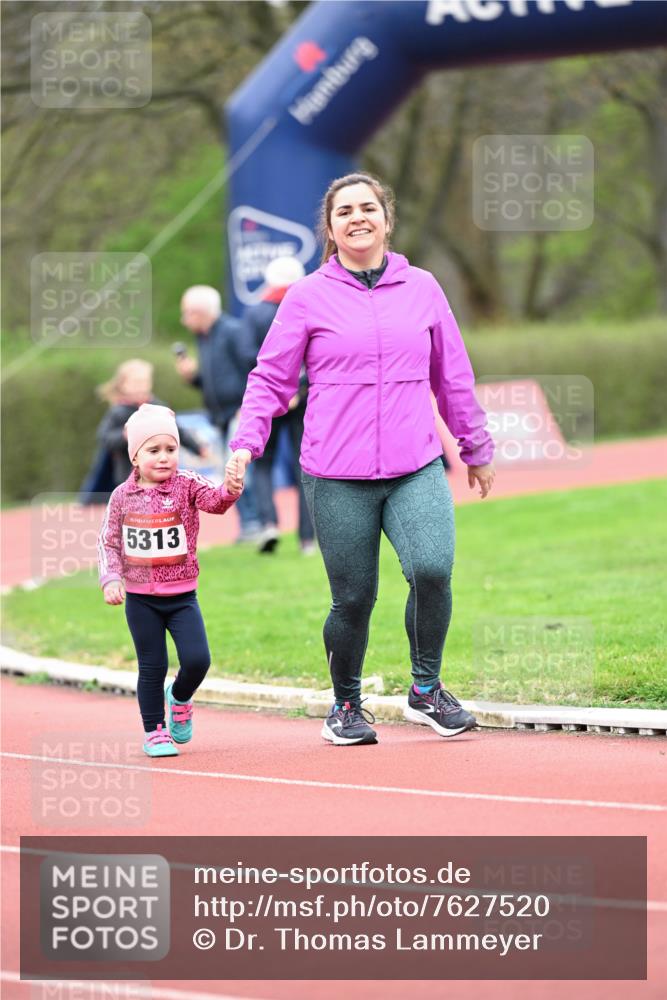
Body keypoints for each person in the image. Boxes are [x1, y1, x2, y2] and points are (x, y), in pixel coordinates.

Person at [225, 173, 495, 746]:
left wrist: (474, 447)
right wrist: (246, 443)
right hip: (335, 474)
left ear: (386, 219)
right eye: (344, 211)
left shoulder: (422, 287)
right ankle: (345, 706)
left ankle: (426, 689)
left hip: (414, 465)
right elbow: (270, 378)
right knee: (353, 598)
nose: (357, 218)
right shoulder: (306, 297)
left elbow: (453, 375)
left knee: (432, 568)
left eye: (367, 208)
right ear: (330, 227)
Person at [97, 403, 241, 757]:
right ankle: (155, 731)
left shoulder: (187, 484)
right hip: (141, 598)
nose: (164, 458)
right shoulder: (121, 497)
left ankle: (179, 697)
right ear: (135, 457)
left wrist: (231, 489)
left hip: (182, 597)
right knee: (152, 666)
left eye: (171, 450)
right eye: (153, 450)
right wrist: (111, 578)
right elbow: (109, 541)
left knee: (197, 660)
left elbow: (216, 501)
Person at [239, 256, 316, 555]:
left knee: (262, 463)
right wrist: (299, 385)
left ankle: (269, 524)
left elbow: (248, 355)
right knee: (305, 466)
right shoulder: (310, 307)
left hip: (269, 397)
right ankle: (307, 539)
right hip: (305, 398)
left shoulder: (255, 314)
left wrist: (278, 386)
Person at [177, 285, 260, 541]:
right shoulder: (204, 338)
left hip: (239, 411)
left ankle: (254, 523)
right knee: (230, 468)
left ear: (200, 312)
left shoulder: (233, 332)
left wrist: (246, 407)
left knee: (236, 467)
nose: (184, 320)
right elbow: (213, 381)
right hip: (219, 415)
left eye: (187, 313)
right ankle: (249, 524)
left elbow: (254, 369)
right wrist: (192, 378)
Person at [83, 359, 207, 499]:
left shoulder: (158, 408)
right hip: (128, 474)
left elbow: (177, 431)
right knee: (132, 512)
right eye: (136, 383)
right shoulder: (118, 412)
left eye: (144, 382)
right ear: (123, 385)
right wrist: (124, 436)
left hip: (158, 472)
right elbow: (105, 438)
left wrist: (197, 448)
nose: (141, 387)